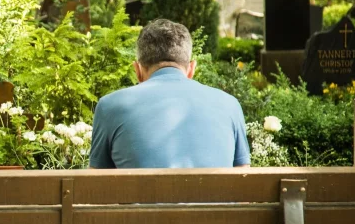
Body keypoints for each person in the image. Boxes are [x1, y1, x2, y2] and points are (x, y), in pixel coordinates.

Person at [89, 19, 250, 168]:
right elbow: (244, 179)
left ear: (137, 71)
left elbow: (95, 185)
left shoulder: (110, 106)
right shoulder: (230, 105)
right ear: (191, 69)